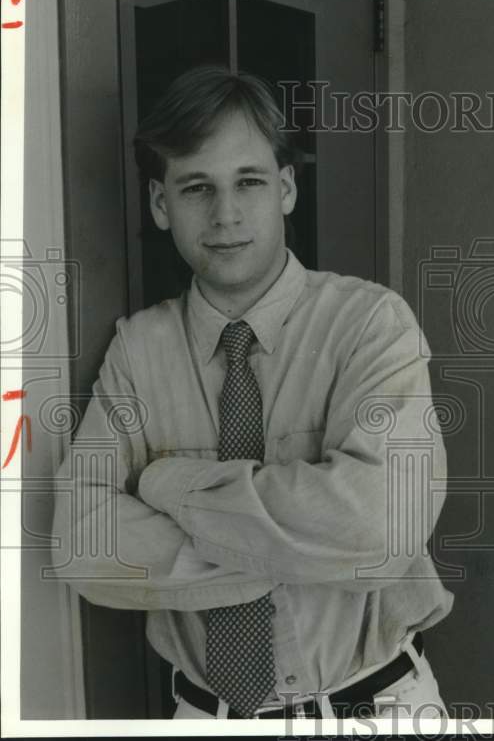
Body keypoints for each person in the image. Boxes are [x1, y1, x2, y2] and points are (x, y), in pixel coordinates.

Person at [51, 66, 453, 721]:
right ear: (161, 203)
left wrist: (169, 486)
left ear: (286, 188)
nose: (226, 214)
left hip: (375, 709)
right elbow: (83, 543)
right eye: (196, 187)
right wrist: (305, 548)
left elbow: (383, 523)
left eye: (249, 181)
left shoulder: (371, 324)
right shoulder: (138, 350)